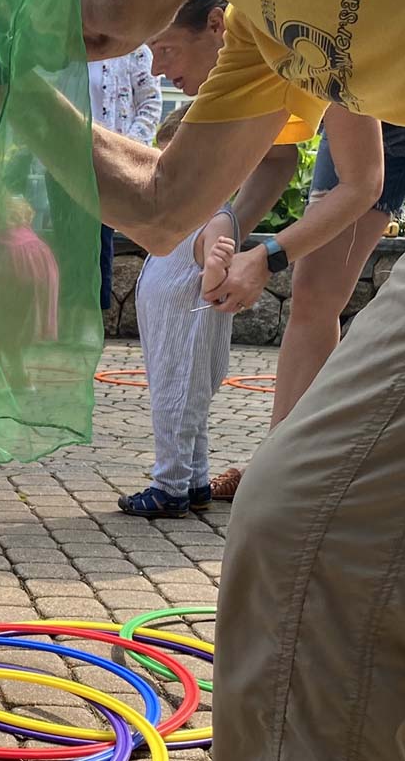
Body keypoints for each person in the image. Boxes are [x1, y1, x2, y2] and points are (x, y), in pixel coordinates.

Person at [0, 0, 402, 757]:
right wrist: (7, 85)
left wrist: (267, 253)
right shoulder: (258, 27)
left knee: (301, 531)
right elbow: (159, 206)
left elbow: (361, 182)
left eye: (62, 33)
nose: (89, 53)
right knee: (294, 526)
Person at [211, 120, 405, 498]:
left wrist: (265, 258)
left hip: (368, 92)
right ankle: (280, 462)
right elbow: (276, 157)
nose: (158, 72)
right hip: (365, 113)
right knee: (314, 295)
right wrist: (223, 231)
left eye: (164, 54)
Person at [119, 107, 243, 517]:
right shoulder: (180, 215)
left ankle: (169, 487)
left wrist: (214, 267)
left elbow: (215, 287)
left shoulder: (216, 218)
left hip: (187, 337)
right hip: (167, 334)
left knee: (178, 407)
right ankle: (196, 482)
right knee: (186, 410)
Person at [88, 46, 160, 310]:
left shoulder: (134, 50)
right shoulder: (65, 43)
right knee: (64, 242)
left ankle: (94, 319)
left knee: (98, 243)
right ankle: (62, 322)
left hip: (108, 165)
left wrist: (125, 152)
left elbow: (151, 104)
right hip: (65, 159)